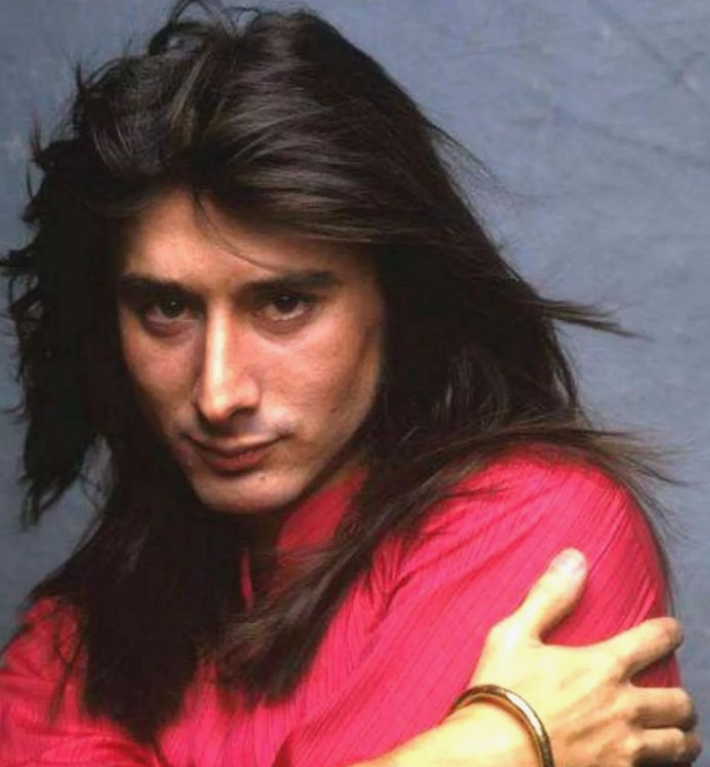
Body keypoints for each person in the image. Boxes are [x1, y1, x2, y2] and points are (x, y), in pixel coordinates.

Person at [0, 1, 701, 765]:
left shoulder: (540, 528)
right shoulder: (68, 652)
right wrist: (498, 741)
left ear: (395, 296)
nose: (218, 392)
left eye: (284, 303)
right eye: (167, 309)